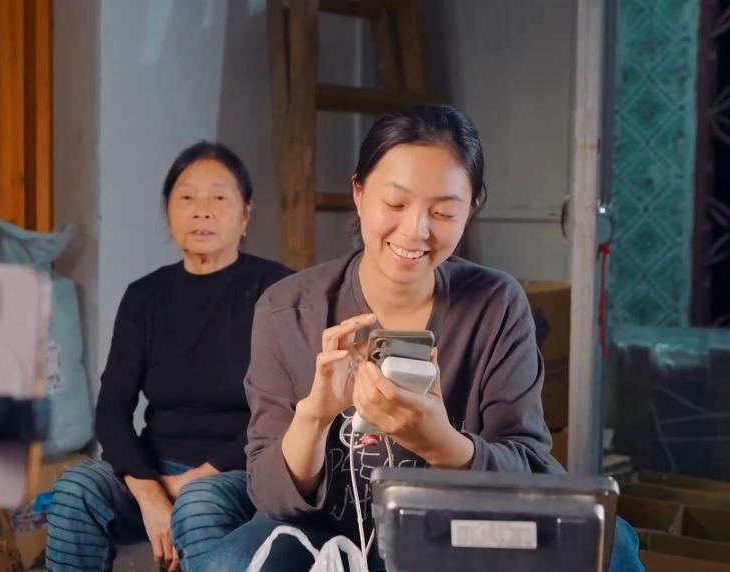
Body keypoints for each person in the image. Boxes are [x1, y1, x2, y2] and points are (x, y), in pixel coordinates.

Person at [201, 106, 644, 571]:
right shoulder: (286, 309)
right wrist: (315, 416)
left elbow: (531, 471)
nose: (416, 231)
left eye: (444, 211)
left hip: (456, 528)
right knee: (229, 561)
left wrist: (440, 442)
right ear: (358, 193)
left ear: (470, 210)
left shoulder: (496, 304)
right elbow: (269, 494)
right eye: (395, 204)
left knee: (611, 541)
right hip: (323, 534)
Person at [42, 141, 293, 572]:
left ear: (246, 213)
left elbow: (287, 411)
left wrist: (191, 482)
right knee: (75, 488)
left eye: (219, 198)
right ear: (169, 211)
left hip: (242, 470)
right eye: (187, 197)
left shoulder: (278, 291)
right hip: (154, 467)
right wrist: (149, 492)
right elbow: (112, 411)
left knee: (198, 504)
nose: (202, 211)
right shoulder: (146, 296)